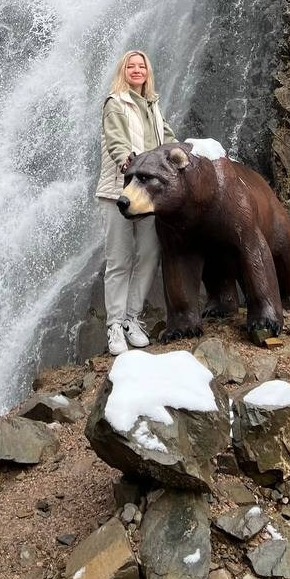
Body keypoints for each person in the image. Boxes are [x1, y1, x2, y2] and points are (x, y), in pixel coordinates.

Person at [96, 49, 177, 356]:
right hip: (119, 190)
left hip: (148, 195)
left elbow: (169, 141)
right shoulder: (115, 103)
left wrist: (192, 155)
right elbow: (116, 140)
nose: (136, 69)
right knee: (119, 259)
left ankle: (132, 318)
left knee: (149, 255)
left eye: (141, 65)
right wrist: (126, 163)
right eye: (131, 65)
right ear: (123, 71)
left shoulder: (154, 106)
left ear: (148, 71)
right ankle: (114, 325)